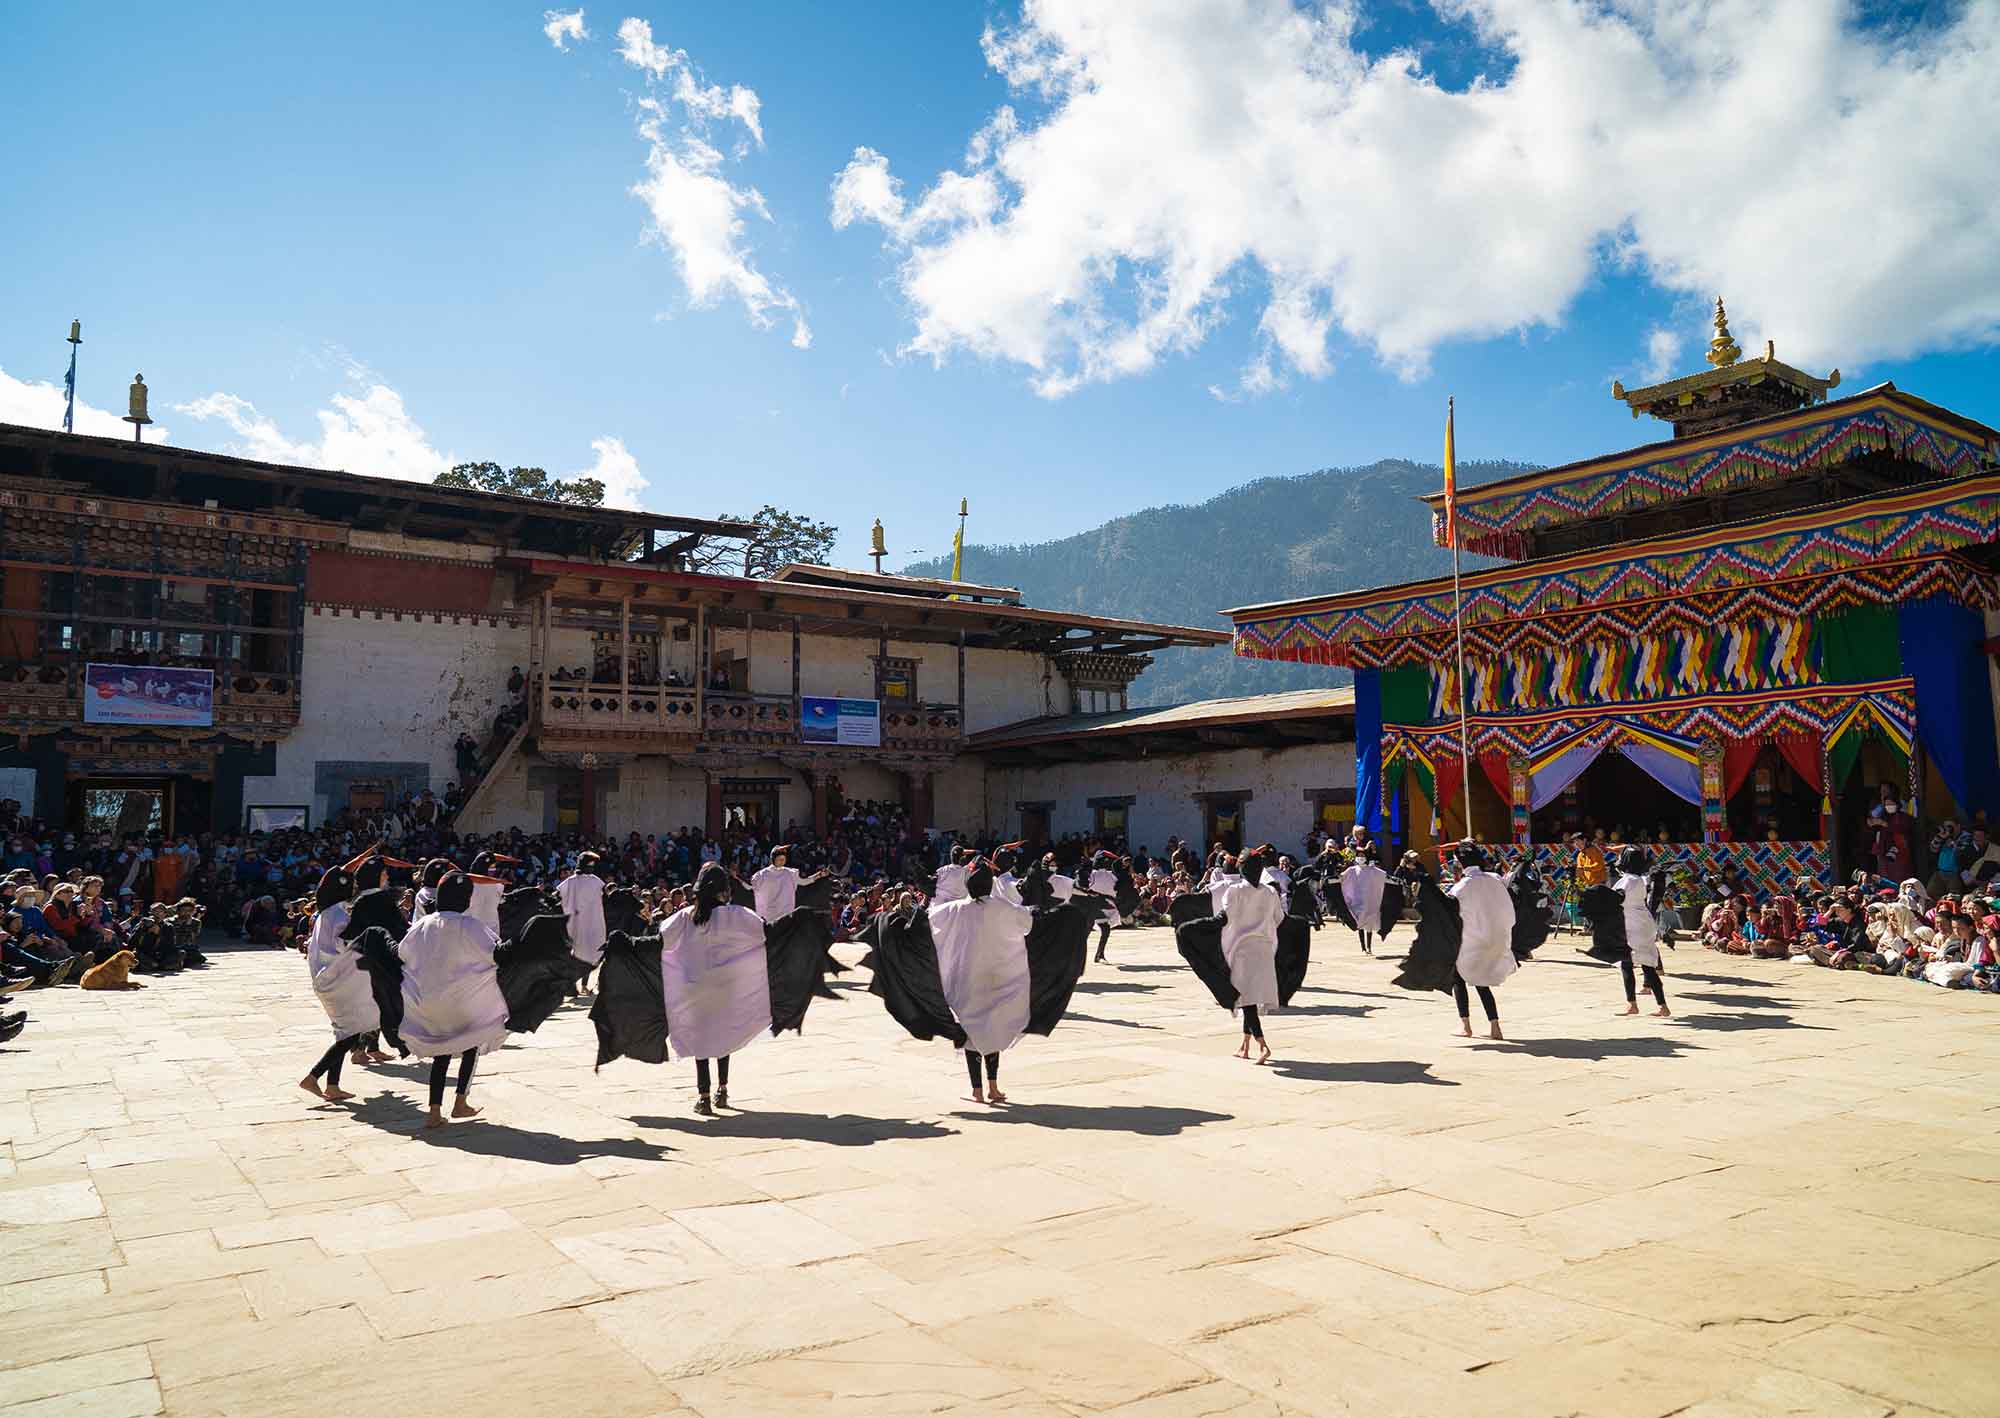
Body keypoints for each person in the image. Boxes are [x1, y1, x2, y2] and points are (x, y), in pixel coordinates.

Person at [397, 872, 507, 1129]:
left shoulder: (423, 924)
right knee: (471, 1046)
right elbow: (495, 951)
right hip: (463, 1001)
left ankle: (434, 1112)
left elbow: (403, 952)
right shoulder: (473, 925)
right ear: (467, 899)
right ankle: (460, 1103)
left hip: (430, 1001)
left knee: (441, 1053)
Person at [658, 864, 771, 1115]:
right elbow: (765, 931)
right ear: (724, 891)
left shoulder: (686, 916)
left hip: (695, 988)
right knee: (724, 1036)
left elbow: (660, 937)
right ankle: (722, 1090)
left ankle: (704, 1097)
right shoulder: (737, 914)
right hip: (726, 987)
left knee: (701, 1040)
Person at [928, 859, 1036, 1103]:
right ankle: (993, 1087)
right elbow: (1028, 922)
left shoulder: (955, 908)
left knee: (971, 1032)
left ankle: (977, 1090)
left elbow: (928, 919)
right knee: (993, 1028)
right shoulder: (1002, 906)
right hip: (996, 978)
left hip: (966, 981)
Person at [299, 867, 379, 1102]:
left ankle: (332, 1086)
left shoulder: (328, 913)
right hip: (339, 982)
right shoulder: (339, 916)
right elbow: (343, 944)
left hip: (332, 980)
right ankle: (313, 1076)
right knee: (353, 1032)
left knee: (346, 1032)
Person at [1216, 848, 1284, 1064]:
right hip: (1264, 950)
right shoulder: (1271, 893)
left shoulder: (1234, 891)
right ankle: (1244, 1046)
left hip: (1242, 951)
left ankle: (1262, 1044)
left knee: (1246, 999)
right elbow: (1279, 918)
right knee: (1251, 997)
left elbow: (1225, 917)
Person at [1446, 842, 1515, 1040]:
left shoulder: (1460, 887)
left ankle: (1465, 1025)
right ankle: (1495, 1027)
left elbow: (1451, 911)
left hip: (1471, 940)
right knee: (1482, 983)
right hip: (1496, 937)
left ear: (1460, 863)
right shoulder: (1495, 878)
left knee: (1458, 979)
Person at [557, 852, 607, 997]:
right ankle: (571, 985)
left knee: (592, 953)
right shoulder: (571, 881)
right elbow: (559, 894)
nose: (591, 867)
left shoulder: (596, 881)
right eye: (589, 864)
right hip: (576, 924)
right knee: (576, 954)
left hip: (593, 923)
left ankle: (584, 985)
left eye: (593, 865)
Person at [1340, 851, 1390, 955]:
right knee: (1359, 923)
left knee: (1369, 924)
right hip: (1356, 901)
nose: (1361, 858)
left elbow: (1383, 875)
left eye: (1363, 856)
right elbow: (1342, 877)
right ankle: (1363, 947)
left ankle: (1369, 947)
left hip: (1369, 900)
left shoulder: (1371, 870)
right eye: (1359, 856)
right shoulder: (1351, 870)